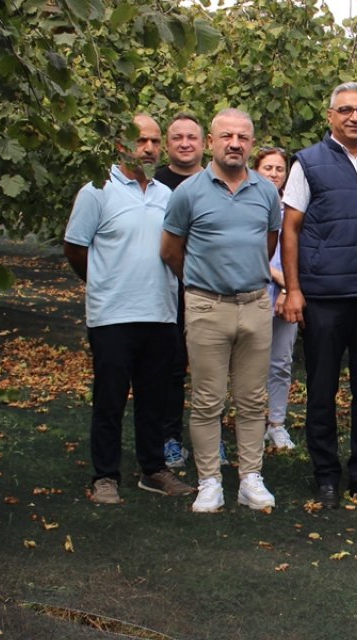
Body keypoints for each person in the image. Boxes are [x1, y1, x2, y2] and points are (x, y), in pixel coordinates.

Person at [279, 82, 357, 511]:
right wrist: (294, 289)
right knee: (321, 391)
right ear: (330, 115)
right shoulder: (308, 163)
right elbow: (289, 228)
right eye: (345, 110)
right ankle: (326, 476)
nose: (355, 117)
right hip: (326, 299)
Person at [63, 113, 194, 504]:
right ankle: (105, 476)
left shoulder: (166, 196)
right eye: (141, 141)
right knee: (110, 399)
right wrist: (103, 281)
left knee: (155, 399)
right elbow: (75, 247)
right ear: (121, 144)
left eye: (155, 141)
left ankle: (153, 470)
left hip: (160, 312)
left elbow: (175, 250)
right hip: (113, 315)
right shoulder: (97, 191)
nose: (149, 148)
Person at [161, 108, 282, 513]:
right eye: (226, 136)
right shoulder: (189, 192)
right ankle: (209, 481)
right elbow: (170, 251)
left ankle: (250, 478)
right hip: (207, 306)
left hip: (254, 305)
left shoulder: (266, 191)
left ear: (251, 142)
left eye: (243, 137)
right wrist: (203, 284)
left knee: (251, 399)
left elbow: (267, 246)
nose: (235, 143)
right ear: (211, 142)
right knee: (208, 401)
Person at [154, 113, 207, 469]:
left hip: (211, 291)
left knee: (211, 368)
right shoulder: (155, 185)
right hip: (164, 291)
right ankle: (169, 437)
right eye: (177, 137)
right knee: (170, 367)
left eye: (192, 137)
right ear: (166, 145)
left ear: (204, 143)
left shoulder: (217, 181)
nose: (185, 143)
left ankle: (209, 442)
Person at [254, 146, 297, 451]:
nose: (274, 174)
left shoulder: (292, 209)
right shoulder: (247, 205)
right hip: (255, 295)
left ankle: (277, 424)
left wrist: (287, 290)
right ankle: (252, 423)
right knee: (250, 365)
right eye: (268, 167)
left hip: (285, 297)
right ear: (257, 170)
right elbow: (252, 253)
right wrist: (283, 283)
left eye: (279, 169)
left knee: (281, 362)